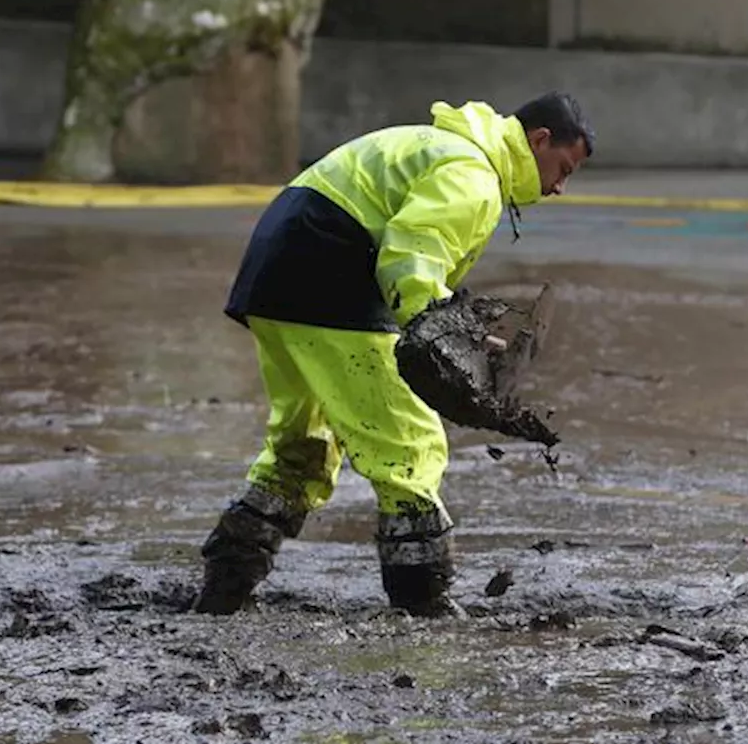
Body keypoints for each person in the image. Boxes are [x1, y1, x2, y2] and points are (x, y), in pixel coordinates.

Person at [193, 92, 594, 618]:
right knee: (409, 442)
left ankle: (222, 594)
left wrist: (448, 323)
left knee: (303, 444)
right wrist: (439, 337)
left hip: (278, 275)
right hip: (328, 276)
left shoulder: (452, 150)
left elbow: (415, 264)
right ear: (539, 140)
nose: (559, 187)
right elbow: (411, 254)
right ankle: (422, 603)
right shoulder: (472, 174)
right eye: (561, 168)